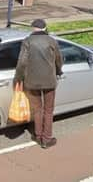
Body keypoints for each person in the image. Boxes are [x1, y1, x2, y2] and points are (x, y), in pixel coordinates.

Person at [14, 19, 63, 149]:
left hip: (32, 82)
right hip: (49, 81)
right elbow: (58, 59)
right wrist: (58, 71)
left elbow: (22, 62)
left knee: (37, 109)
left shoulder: (27, 41)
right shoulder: (52, 41)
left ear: (33, 28)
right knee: (48, 110)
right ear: (45, 28)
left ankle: (37, 135)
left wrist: (18, 78)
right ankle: (46, 139)